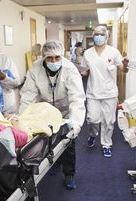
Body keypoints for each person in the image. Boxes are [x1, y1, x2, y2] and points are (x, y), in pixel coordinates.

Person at [20, 40, 86, 190]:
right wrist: (21, 120)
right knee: (47, 138)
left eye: (57, 57)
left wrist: (75, 123)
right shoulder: (35, 69)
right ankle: (55, 163)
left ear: (62, 56)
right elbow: (28, 95)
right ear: (44, 57)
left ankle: (69, 174)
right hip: (46, 110)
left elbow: (77, 97)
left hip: (66, 108)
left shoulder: (70, 69)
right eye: (50, 58)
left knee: (68, 141)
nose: (54, 61)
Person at [81, 25, 129, 157]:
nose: (98, 37)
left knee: (108, 121)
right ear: (93, 36)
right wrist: (78, 73)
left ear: (106, 37)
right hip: (93, 92)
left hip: (110, 92)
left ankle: (106, 144)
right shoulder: (87, 53)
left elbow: (123, 69)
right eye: (96, 34)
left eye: (101, 34)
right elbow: (86, 71)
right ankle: (92, 135)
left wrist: (125, 65)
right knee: (92, 119)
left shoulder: (113, 52)